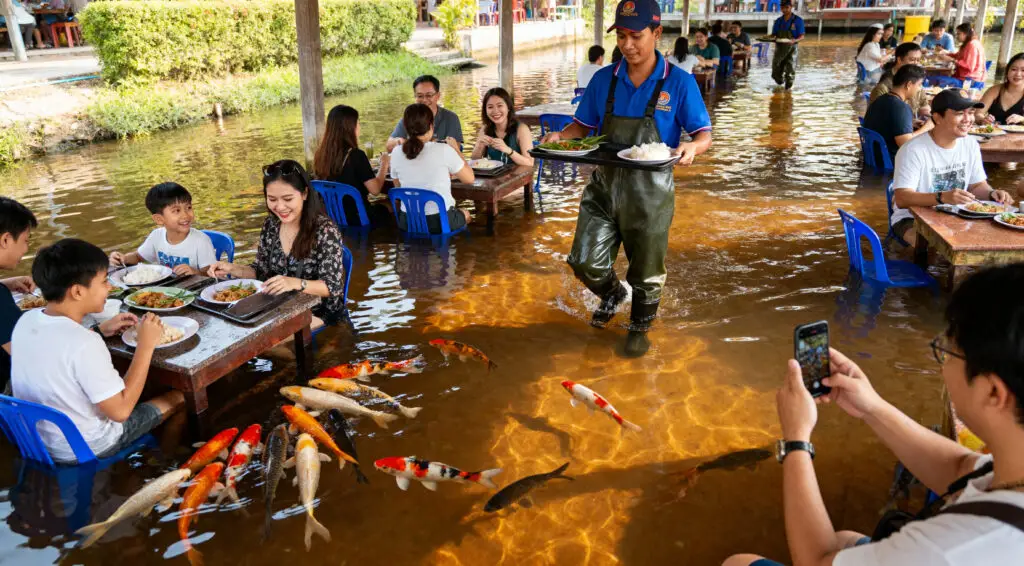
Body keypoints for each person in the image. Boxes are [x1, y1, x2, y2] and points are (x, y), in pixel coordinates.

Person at [723, 264, 1024, 566]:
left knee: (739, 562)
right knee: (843, 540)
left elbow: (815, 561)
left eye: (947, 351)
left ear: (994, 392)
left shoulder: (948, 550)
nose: (943, 362)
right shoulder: (1012, 470)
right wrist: (872, 406)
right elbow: (961, 469)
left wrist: (796, 439)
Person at [541, 0, 712, 357]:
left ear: (657, 33)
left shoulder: (678, 83)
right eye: (621, 36)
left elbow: (703, 134)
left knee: (647, 270)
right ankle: (613, 294)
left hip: (650, 195)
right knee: (584, 261)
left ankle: (639, 328)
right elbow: (582, 126)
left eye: (636, 35)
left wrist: (692, 148)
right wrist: (561, 137)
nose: (628, 44)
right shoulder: (605, 79)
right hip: (603, 188)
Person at [11, 239, 184, 463]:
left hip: (36, 441)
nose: (110, 287)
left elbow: (59, 351)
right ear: (78, 291)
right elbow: (120, 412)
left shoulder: (26, 320)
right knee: (178, 398)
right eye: (103, 282)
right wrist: (145, 345)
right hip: (86, 447)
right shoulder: (85, 343)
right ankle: (164, 464)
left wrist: (99, 330)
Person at [207, 160, 348, 326]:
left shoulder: (325, 231)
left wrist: (293, 283)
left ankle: (322, 346)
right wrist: (233, 269)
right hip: (277, 307)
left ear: (304, 194)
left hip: (319, 314)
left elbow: (332, 288)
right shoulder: (271, 225)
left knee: (263, 341)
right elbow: (261, 272)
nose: (280, 207)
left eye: (288, 199)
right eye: (272, 199)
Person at [889, 90, 1014, 243]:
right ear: (937, 117)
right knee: (936, 250)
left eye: (971, 112)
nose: (968, 119)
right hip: (911, 218)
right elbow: (902, 198)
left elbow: (977, 185)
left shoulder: (970, 144)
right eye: (960, 113)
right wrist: (942, 197)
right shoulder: (913, 150)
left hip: (956, 214)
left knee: (991, 241)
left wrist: (992, 194)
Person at [389, 104, 474, 234]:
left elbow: (398, 186)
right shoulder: (444, 150)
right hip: (439, 222)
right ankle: (454, 250)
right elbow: (469, 179)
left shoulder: (396, 152)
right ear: (431, 126)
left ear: (405, 127)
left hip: (408, 221)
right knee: (466, 214)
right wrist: (456, 149)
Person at [108, 183, 216, 277]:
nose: (186, 215)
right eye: (177, 210)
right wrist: (123, 258)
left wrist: (195, 272)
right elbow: (138, 257)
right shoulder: (156, 236)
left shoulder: (201, 241)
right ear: (159, 219)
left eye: (188, 207)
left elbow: (212, 275)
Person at [312, 104, 391, 227]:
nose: (359, 127)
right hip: (358, 218)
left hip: (331, 217)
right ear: (350, 127)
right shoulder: (356, 155)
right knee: (391, 204)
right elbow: (375, 190)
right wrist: (384, 164)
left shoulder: (320, 154)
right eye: (358, 123)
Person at [0, 198, 36, 394]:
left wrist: (7, 283)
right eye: (25, 240)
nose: (26, 249)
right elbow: (30, 358)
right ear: (5, 240)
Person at [863, 65, 933, 162]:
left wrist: (910, 123)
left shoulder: (880, 100)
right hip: (891, 161)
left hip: (875, 158)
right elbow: (906, 143)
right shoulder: (901, 107)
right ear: (909, 85)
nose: (920, 89)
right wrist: (927, 127)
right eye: (919, 85)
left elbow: (885, 123)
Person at [385, 75, 463, 152]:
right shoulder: (409, 118)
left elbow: (456, 149)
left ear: (438, 96)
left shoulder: (451, 118)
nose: (424, 100)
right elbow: (389, 146)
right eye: (420, 96)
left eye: (429, 95)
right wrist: (400, 141)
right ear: (415, 97)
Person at [471, 87, 535, 168]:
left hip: (517, 178)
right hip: (492, 177)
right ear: (485, 110)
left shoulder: (521, 129)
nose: (495, 111)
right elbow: (474, 161)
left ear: (508, 107)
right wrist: (479, 146)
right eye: (490, 107)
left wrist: (508, 150)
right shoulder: (485, 129)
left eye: (500, 105)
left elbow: (530, 163)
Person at [869, 42, 929, 117]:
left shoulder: (916, 79)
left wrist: (928, 117)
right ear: (899, 60)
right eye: (912, 60)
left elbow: (924, 104)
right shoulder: (884, 86)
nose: (916, 63)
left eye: (918, 60)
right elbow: (880, 118)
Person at [976, 52, 1024, 126]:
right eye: (1014, 69)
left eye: (1023, 70)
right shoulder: (994, 91)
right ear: (1007, 71)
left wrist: (1022, 119)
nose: (1018, 74)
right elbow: (978, 114)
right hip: (991, 135)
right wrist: (983, 120)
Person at [771, 0, 805, 89]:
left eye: (787, 7)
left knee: (790, 72)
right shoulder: (778, 21)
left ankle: (788, 93)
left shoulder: (798, 20)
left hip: (792, 49)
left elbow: (802, 36)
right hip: (779, 48)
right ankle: (780, 84)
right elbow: (773, 35)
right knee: (775, 71)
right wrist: (770, 38)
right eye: (783, 8)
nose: (785, 10)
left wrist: (795, 40)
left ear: (791, 7)